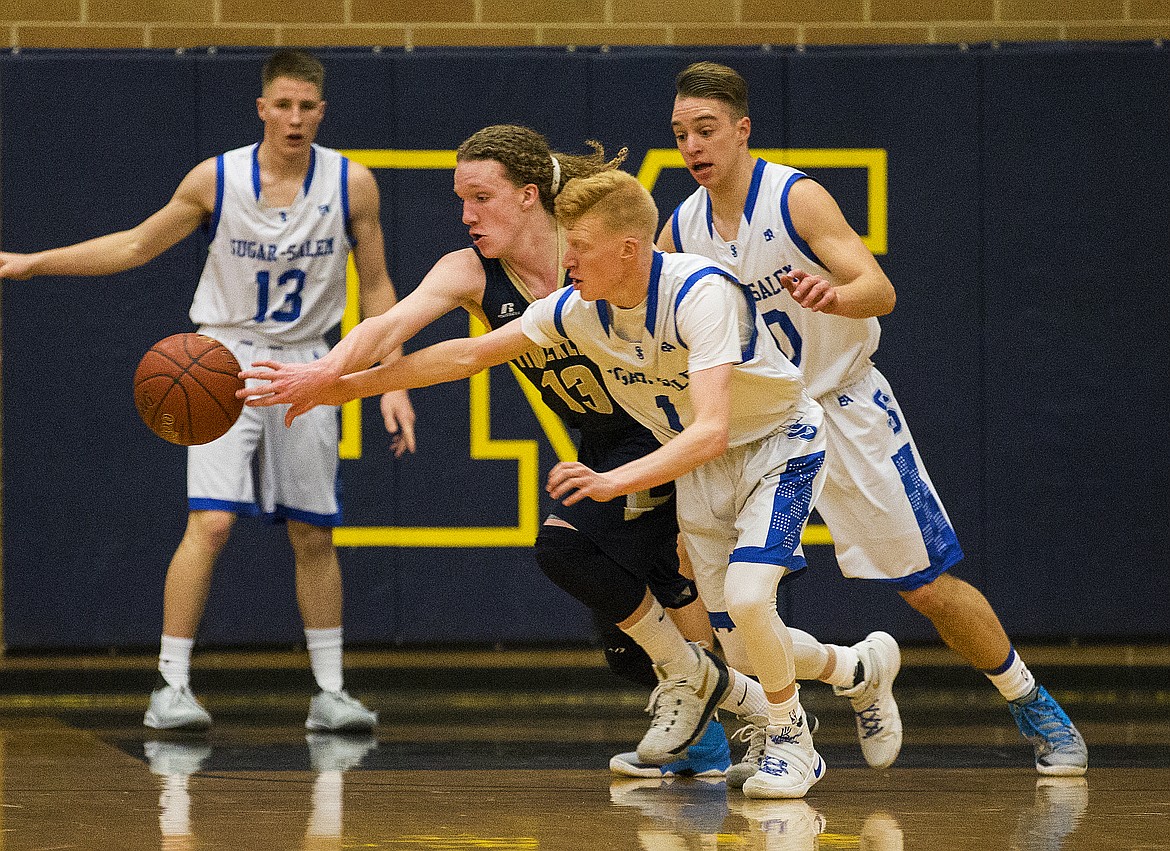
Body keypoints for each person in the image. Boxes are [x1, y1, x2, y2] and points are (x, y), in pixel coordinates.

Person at [244, 169, 842, 799]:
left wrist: (613, 481)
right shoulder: (574, 310)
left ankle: (788, 737)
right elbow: (462, 357)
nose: (569, 260)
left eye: (579, 248)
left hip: (773, 442)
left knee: (748, 601)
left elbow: (712, 429)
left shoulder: (700, 293)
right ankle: (854, 669)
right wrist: (334, 386)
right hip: (689, 458)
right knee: (736, 641)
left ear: (627, 251)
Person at [661, 60, 1088, 778]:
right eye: (679, 135)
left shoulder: (795, 198)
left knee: (927, 585)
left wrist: (834, 295)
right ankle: (808, 704)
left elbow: (879, 289)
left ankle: (1033, 701)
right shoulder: (681, 227)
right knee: (725, 595)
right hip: (761, 423)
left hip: (842, 404)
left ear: (742, 129)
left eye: (705, 130)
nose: (693, 147)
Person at [0, 49, 415, 732]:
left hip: (309, 363)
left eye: (307, 105)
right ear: (261, 109)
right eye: (282, 104)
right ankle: (170, 684)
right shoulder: (216, 178)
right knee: (212, 522)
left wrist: (390, 376)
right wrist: (36, 264)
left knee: (314, 531)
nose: (294, 117)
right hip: (221, 358)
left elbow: (376, 287)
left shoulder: (352, 184)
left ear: (322, 111)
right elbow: (136, 245)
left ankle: (332, 692)